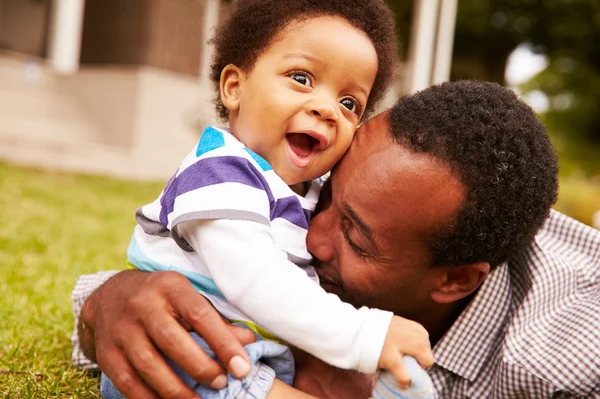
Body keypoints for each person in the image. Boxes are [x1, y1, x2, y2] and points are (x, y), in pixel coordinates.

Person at [73, 81, 600, 398]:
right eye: (324, 199)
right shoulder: (350, 202)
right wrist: (109, 300)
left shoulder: (561, 360)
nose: (313, 241)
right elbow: (203, 280)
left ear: (456, 280)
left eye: (355, 237)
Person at [99, 0, 435, 397]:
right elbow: (255, 279)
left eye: (349, 104)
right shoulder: (220, 169)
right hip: (187, 337)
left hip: (262, 343)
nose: (327, 108)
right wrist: (366, 334)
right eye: (301, 77)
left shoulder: (314, 190)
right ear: (234, 87)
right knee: (210, 366)